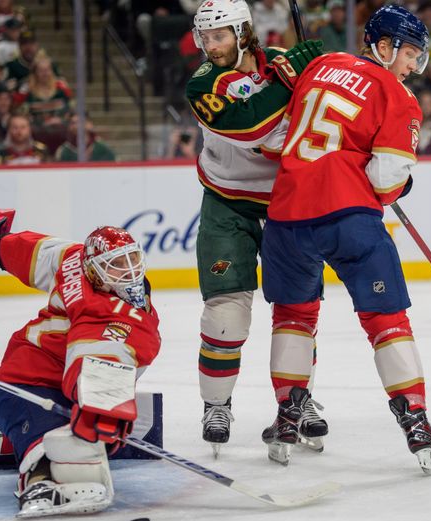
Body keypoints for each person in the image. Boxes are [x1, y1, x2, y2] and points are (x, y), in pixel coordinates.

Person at [259, 4, 431, 473]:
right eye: (408, 53)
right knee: (387, 320)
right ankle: (417, 424)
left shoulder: (321, 66)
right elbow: (386, 181)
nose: (412, 65)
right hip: (348, 217)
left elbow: (272, 142)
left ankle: (289, 416)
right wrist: (399, 184)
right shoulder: (399, 96)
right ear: (383, 46)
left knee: (293, 316)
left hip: (285, 217)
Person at [0, 178, 160, 518]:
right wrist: (103, 404)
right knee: (56, 436)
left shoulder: (74, 258)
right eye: (115, 265)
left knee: (86, 435)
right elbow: (93, 353)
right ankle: (37, 482)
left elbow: (21, 250)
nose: (128, 272)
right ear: (95, 270)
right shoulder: (100, 309)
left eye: (131, 259)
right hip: (22, 386)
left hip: (54, 385)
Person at [184, 0, 326, 459]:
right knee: (225, 315)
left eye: (220, 35)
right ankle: (216, 405)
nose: (211, 46)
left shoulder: (284, 62)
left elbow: (326, 116)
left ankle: (295, 401)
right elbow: (247, 124)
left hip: (288, 202)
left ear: (244, 32)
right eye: (205, 37)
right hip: (228, 204)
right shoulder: (202, 84)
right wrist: (289, 80)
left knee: (298, 311)